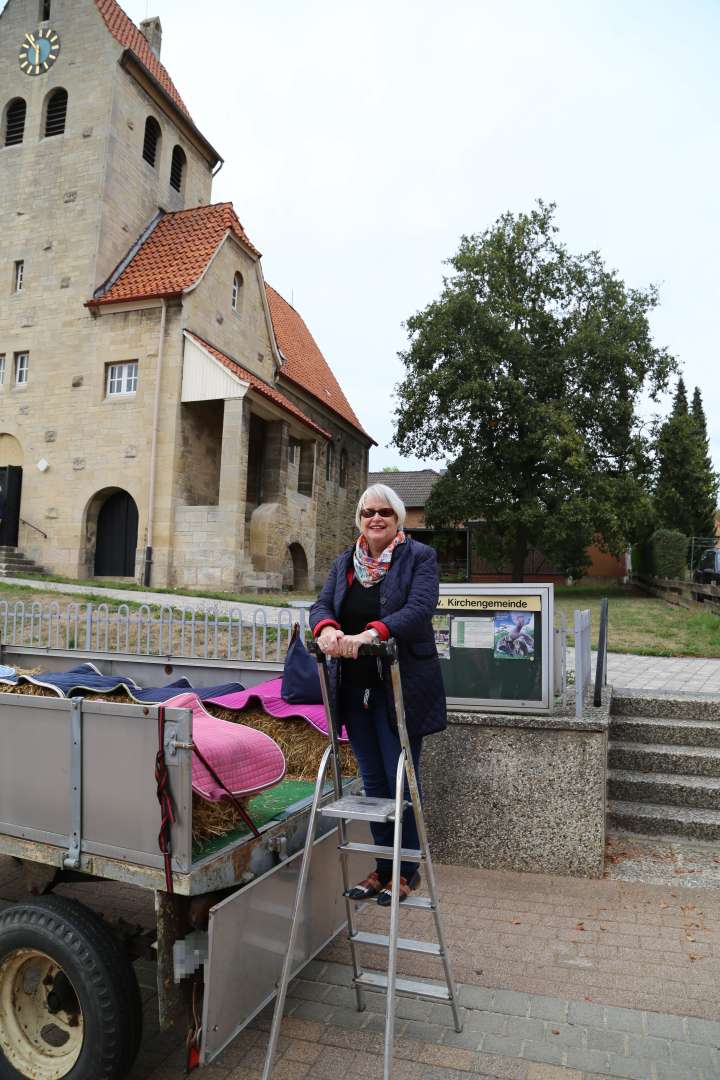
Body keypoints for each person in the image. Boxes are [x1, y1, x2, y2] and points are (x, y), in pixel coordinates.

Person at [310, 483, 446, 905]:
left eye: (385, 512)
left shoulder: (419, 557)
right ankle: (381, 868)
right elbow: (321, 605)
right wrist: (328, 628)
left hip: (400, 689)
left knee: (401, 780)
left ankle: (405, 872)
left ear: (398, 518)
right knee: (373, 784)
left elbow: (420, 608)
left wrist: (373, 632)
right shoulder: (345, 563)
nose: (376, 519)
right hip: (354, 688)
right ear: (359, 519)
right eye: (368, 512)